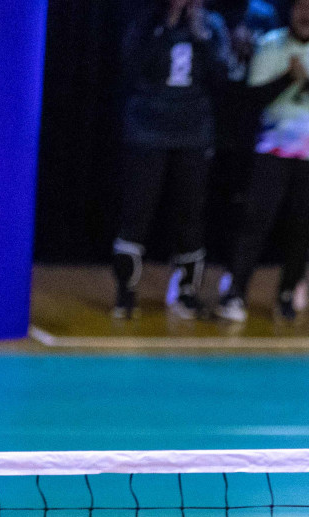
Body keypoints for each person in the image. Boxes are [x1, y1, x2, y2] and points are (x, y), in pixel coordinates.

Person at [218, 0, 309, 322]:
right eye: (299, 6)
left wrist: (307, 82)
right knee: (255, 219)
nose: (305, 14)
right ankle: (236, 293)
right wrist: (288, 78)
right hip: (274, 147)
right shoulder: (270, 44)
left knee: (303, 225)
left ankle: (287, 293)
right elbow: (252, 97)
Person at [113, 0, 237, 319]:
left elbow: (222, 77)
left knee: (190, 213)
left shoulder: (212, 26)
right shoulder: (144, 20)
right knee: (138, 210)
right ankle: (126, 292)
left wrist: (200, 36)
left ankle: (186, 292)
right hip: (147, 130)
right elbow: (131, 66)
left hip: (193, 132)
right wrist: (165, 25)